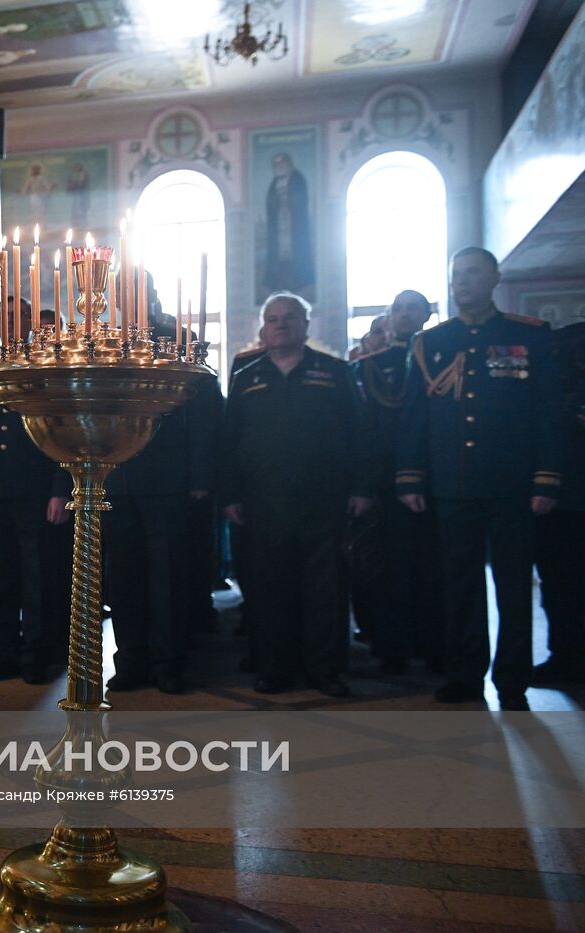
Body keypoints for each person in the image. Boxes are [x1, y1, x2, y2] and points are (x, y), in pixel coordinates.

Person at [397, 248, 563, 710]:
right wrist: (410, 477)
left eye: (472, 274)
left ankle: (512, 681)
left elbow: (549, 413)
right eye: (456, 276)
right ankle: (465, 675)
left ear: (494, 278)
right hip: (454, 483)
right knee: (460, 585)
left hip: (511, 483)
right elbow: (415, 416)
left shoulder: (526, 336)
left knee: (513, 586)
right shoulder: (432, 343)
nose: (462, 283)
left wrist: (546, 478)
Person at [220, 292, 374, 697]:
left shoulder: (336, 372)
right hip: (263, 503)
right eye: (273, 319)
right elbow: (228, 441)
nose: (281, 324)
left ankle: (325, 671)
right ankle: (276, 669)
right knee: (270, 590)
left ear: (306, 326)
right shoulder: (246, 377)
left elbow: (361, 436)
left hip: (324, 501)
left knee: (326, 591)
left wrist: (362, 488)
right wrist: (230, 494)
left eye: (290, 317)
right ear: (263, 328)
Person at [0, 349, 70, 683]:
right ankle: (4, 651)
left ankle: (36, 654)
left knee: (37, 579)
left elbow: (61, 436)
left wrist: (59, 490)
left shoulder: (46, 376)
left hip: (34, 492)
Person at [104, 373, 220, 695]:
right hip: (116, 480)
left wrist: (200, 476)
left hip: (166, 480)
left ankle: (167, 663)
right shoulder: (103, 349)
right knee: (123, 579)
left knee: (166, 579)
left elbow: (201, 419)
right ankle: (130, 661)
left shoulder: (173, 345)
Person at [353, 290, 442, 674]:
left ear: (426, 315)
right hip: (386, 481)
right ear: (389, 318)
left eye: (414, 309)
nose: (406, 315)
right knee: (390, 568)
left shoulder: (442, 359)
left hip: (436, 478)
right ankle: (393, 646)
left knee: (433, 567)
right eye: (399, 309)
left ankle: (436, 645)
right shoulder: (374, 366)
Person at [533, 321, 585, 683]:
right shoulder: (561, 351)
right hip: (560, 494)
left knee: (562, 583)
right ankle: (564, 657)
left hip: (563, 493)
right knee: (559, 584)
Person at [263, 152, 313, 294]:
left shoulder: (297, 179)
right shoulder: (274, 183)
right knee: (279, 254)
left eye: (282, 163)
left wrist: (289, 200)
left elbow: (301, 200)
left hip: (295, 224)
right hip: (279, 223)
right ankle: (279, 282)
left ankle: (299, 281)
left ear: (288, 164)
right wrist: (278, 202)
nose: (279, 166)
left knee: (296, 252)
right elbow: (270, 203)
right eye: (277, 164)